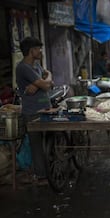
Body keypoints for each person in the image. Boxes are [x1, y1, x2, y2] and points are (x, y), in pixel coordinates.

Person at [16, 36, 54, 186]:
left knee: (49, 141)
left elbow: (48, 78)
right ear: (31, 51)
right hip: (32, 112)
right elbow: (46, 85)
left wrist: (40, 83)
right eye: (38, 49)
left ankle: (50, 170)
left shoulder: (36, 65)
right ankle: (42, 176)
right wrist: (43, 83)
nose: (40, 51)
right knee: (37, 145)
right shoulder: (23, 68)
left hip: (46, 109)